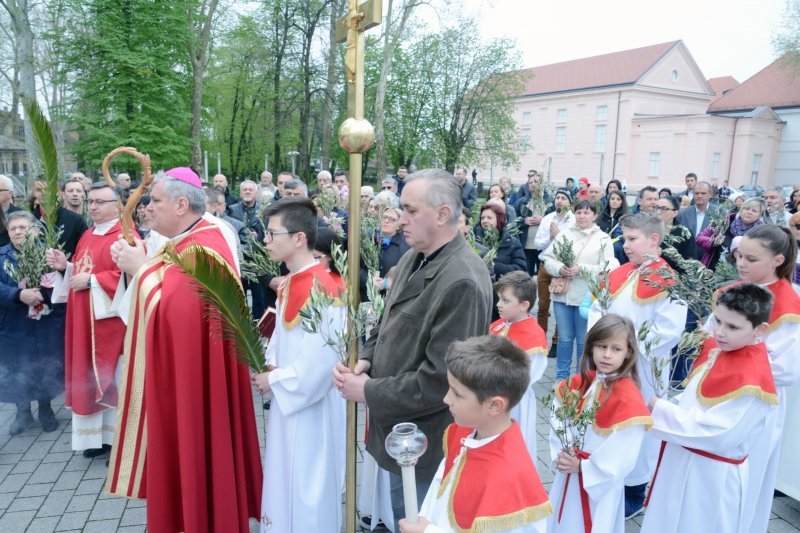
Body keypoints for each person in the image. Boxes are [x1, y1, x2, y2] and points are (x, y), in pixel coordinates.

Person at [333, 169, 493, 531]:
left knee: (420, 519)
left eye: (410, 209)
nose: (399, 218)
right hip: (401, 430)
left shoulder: (462, 280)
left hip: (427, 441)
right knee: (401, 515)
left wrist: (368, 390)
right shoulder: (414, 256)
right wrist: (368, 358)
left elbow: (441, 381)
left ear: (442, 214)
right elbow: (389, 322)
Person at [106, 167, 262, 532]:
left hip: (193, 382)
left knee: (196, 448)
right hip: (188, 372)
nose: (147, 209)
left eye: (155, 201)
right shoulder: (188, 240)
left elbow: (182, 312)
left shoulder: (204, 246)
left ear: (180, 204)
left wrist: (140, 267)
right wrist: (143, 265)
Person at [643, 283, 778, 533]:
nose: (720, 333)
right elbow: (694, 399)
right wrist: (671, 405)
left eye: (733, 327)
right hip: (683, 459)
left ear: (760, 330)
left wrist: (661, 410)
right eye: (717, 321)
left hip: (711, 476)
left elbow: (719, 435)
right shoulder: (722, 351)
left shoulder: (752, 379)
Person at [250, 198, 346, 533]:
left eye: (272, 234)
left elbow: (320, 364)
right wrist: (269, 364)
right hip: (286, 400)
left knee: (307, 482)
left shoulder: (325, 290)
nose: (266, 241)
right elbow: (281, 338)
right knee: (285, 476)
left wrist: (275, 379)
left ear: (299, 238)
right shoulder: (290, 282)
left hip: (310, 408)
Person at [587, 212, 687, 518]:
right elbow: (598, 308)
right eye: (625, 239)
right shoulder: (620, 272)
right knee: (608, 414)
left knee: (638, 424)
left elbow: (669, 329)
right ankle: (605, 472)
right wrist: (601, 343)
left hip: (643, 368)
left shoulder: (668, 280)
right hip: (609, 363)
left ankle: (636, 488)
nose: (626, 245)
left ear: (654, 240)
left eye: (632, 239)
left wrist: (628, 349)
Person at [398, 335, 553, 533]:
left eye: (457, 393)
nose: (446, 399)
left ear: (494, 405)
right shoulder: (465, 432)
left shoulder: (508, 478)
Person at [713, 225, 800, 533]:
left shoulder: (787, 303)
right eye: (739, 256)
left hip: (758, 398)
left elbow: (787, 369)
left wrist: (735, 356)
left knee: (747, 474)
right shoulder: (738, 288)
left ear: (778, 260)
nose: (741, 264)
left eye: (751, 259)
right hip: (720, 387)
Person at [46, 183, 132, 456]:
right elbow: (81, 271)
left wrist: (94, 280)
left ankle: (117, 438)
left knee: (112, 377)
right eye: (90, 201)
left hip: (109, 327)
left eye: (99, 201)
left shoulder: (126, 236)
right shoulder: (88, 234)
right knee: (87, 377)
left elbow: (131, 277)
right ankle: (97, 438)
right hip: (84, 320)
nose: (92, 206)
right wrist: (66, 266)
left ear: (117, 206)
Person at [548, 314, 651, 533]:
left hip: (598, 487)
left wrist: (584, 468)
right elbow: (558, 417)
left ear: (628, 353)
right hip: (568, 472)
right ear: (591, 348)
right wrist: (564, 453)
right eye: (601, 346)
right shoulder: (580, 383)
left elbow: (623, 453)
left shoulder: (629, 400)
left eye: (616, 349)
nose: (606, 355)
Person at [0, 211, 65, 435]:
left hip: (43, 324)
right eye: (13, 228)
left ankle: (46, 409)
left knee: (42, 364)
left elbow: (60, 285)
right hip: (13, 324)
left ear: (34, 231)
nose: (18, 232)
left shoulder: (47, 256)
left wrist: (41, 295)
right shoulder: (1, 257)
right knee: (17, 366)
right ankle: (22, 411)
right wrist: (18, 295)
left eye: (22, 227)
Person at [541, 200, 616, 380]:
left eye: (587, 212)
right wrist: (559, 268)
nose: (582, 216)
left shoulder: (603, 238)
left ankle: (581, 379)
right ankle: (561, 379)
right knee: (565, 339)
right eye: (579, 212)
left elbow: (608, 266)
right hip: (563, 294)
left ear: (595, 215)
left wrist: (581, 269)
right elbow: (548, 258)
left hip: (588, 297)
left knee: (584, 340)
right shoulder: (564, 235)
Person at [488, 271, 547, 462]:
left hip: (514, 402)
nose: (498, 304)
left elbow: (526, 376)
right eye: (499, 299)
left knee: (512, 447)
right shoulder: (499, 325)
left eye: (505, 300)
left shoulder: (533, 337)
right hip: (490, 394)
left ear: (524, 305)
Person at [532, 189, 575, 356]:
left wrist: (559, 235)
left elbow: (572, 245)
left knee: (559, 305)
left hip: (562, 267)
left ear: (569, 203)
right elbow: (537, 244)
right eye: (557, 198)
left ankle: (556, 342)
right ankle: (540, 340)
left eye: (563, 198)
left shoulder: (573, 221)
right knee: (543, 305)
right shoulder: (547, 219)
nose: (559, 201)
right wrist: (551, 237)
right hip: (545, 266)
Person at [695, 196, 764, 269]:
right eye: (746, 209)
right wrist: (713, 242)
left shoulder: (761, 233)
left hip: (741, 275)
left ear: (760, 215)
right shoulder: (725, 222)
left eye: (754, 211)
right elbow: (699, 238)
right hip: (712, 272)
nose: (749, 212)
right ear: (741, 210)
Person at [29, 179, 88, 257]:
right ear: (34, 193)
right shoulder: (27, 220)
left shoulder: (76, 220)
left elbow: (85, 250)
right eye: (39, 190)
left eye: (47, 189)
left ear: (57, 191)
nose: (43, 193)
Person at [475, 202, 526, 281]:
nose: (485, 221)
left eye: (489, 218)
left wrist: (495, 266)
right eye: (482, 218)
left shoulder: (512, 243)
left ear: (499, 219)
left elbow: (521, 269)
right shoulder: (475, 241)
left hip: (503, 288)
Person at [515, 173, 549, 276]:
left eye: (536, 182)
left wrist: (543, 220)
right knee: (525, 278)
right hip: (526, 247)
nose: (533, 184)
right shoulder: (521, 202)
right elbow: (512, 221)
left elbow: (557, 221)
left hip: (544, 248)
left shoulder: (550, 201)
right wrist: (523, 221)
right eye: (530, 182)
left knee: (543, 280)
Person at [675, 181, 717, 260]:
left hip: (709, 259)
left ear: (710, 194)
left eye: (703, 193)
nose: (699, 196)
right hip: (687, 259)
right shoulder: (683, 214)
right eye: (696, 193)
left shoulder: (719, 213)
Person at [656, 195, 695, 261]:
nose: (658, 212)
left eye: (663, 209)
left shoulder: (685, 234)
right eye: (656, 208)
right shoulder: (647, 229)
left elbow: (689, 263)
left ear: (675, 213)